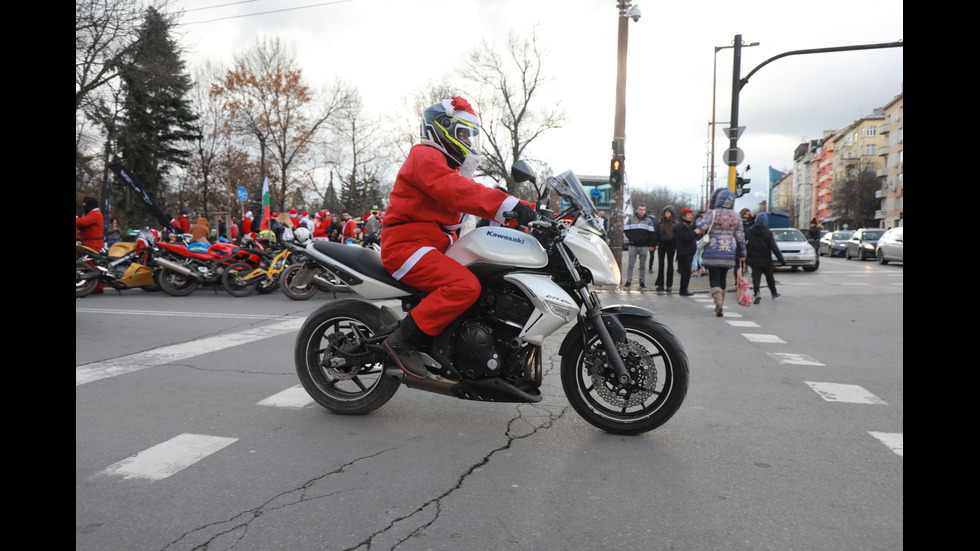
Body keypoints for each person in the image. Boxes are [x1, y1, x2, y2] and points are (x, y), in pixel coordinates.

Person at [380, 95, 534, 380]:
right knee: (465, 286)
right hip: (407, 247)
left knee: (490, 283)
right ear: (442, 128)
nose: (466, 139)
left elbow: (468, 189)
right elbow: (457, 191)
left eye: (468, 134)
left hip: (433, 246)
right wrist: (510, 205)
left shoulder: (447, 166)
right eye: (462, 132)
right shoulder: (425, 156)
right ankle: (401, 342)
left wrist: (538, 213)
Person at [697, 188, 746, 317]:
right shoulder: (736, 216)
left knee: (714, 278)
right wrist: (742, 254)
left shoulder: (712, 213)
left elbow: (702, 226)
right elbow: (740, 236)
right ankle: (721, 303)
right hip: (729, 251)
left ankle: (717, 299)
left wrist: (697, 221)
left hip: (713, 251)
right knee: (723, 278)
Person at [745, 212, 786, 303]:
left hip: (753, 258)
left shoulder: (749, 231)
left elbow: (744, 243)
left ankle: (756, 293)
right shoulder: (768, 233)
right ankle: (774, 293)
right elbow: (773, 247)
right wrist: (781, 260)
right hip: (766, 259)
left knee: (756, 276)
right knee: (769, 277)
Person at [622, 203, 657, 289]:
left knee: (642, 266)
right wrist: (631, 238)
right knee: (630, 265)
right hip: (633, 246)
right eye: (640, 209)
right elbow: (626, 230)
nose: (642, 211)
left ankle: (642, 282)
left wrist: (650, 244)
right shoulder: (631, 219)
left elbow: (651, 233)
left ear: (645, 210)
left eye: (643, 210)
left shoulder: (649, 220)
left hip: (644, 246)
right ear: (637, 210)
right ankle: (628, 281)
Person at [652, 205, 677, 292]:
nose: (667, 213)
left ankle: (669, 285)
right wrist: (653, 244)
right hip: (662, 245)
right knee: (661, 265)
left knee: (670, 265)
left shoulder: (675, 223)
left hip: (671, 245)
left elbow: (677, 236)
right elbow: (656, 235)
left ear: (672, 213)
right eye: (666, 212)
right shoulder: (660, 223)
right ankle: (660, 284)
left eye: (668, 212)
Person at [674, 207, 697, 296]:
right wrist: (694, 233)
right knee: (685, 272)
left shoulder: (687, 225)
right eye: (689, 215)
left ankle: (684, 289)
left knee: (687, 272)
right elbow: (685, 237)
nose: (691, 216)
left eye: (691, 215)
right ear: (683, 216)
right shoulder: (680, 226)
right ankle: (683, 290)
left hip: (689, 252)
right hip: (684, 252)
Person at [692, 210, 707, 277]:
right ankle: (703, 269)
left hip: (695, 242)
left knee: (694, 257)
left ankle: (695, 271)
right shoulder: (703, 226)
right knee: (700, 257)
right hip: (702, 242)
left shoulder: (693, 225)